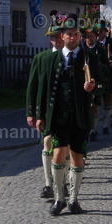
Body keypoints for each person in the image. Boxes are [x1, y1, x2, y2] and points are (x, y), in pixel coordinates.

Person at [25, 14, 103, 215]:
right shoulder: (52, 59)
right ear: (63, 36)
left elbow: (103, 84)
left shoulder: (90, 58)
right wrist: (38, 114)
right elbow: (43, 89)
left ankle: (74, 200)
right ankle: (59, 198)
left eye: (76, 34)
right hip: (58, 115)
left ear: (80, 36)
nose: (72, 37)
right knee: (58, 154)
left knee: (77, 158)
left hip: (80, 116)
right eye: (69, 34)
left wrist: (93, 87)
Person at [27, 19, 65, 200]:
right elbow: (32, 86)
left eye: (59, 36)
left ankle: (63, 180)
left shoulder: (71, 58)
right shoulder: (41, 59)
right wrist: (31, 113)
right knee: (47, 144)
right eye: (53, 37)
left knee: (64, 148)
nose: (57, 40)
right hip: (46, 111)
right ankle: (48, 183)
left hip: (66, 111)